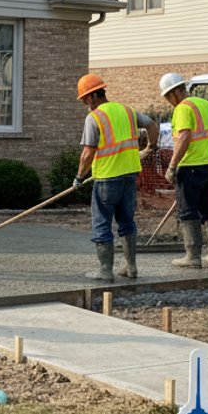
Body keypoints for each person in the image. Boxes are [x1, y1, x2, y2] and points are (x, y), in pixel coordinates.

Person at [72, 74, 158, 282]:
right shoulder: (127, 111)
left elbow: (87, 153)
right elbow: (152, 125)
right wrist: (150, 148)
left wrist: (78, 177)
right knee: (127, 222)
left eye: (84, 99)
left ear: (92, 96)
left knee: (102, 222)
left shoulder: (95, 118)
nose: (85, 104)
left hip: (106, 179)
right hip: (129, 176)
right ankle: (131, 267)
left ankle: (105, 270)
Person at [160, 72, 208, 268]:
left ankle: (192, 256)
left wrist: (172, 165)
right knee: (207, 208)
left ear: (175, 93)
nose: (169, 101)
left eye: (168, 96)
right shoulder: (205, 104)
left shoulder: (182, 109)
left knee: (187, 211)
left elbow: (184, 137)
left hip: (190, 166)